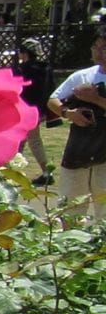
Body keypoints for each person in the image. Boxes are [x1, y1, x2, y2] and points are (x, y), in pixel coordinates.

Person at [46, 29, 106, 221]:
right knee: (70, 208)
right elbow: (53, 100)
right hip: (78, 152)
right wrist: (68, 113)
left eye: (104, 48)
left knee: (104, 212)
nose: (99, 52)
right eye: (96, 47)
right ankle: (69, 246)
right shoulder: (82, 76)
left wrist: (96, 99)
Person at [17, 38, 55, 184]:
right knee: (23, 140)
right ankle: (12, 172)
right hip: (39, 110)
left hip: (23, 110)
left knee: (29, 140)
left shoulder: (23, 70)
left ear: (24, 53)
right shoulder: (46, 69)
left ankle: (46, 173)